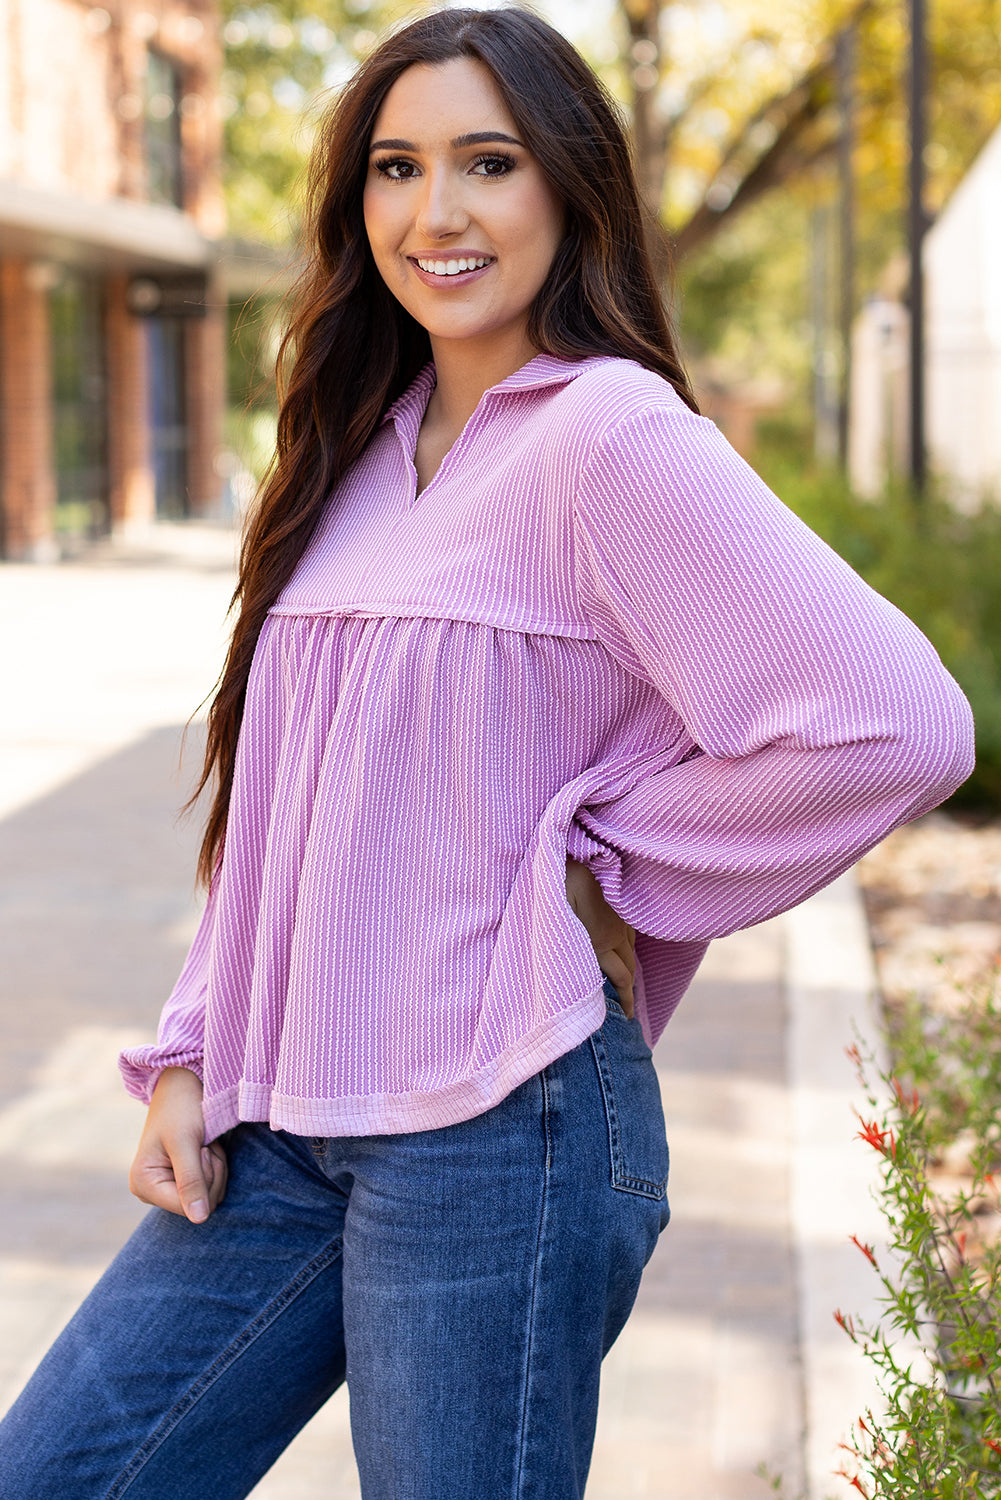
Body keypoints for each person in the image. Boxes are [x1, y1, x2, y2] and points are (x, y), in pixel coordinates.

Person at [0, 7, 974, 1498]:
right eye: (394, 166)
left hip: (496, 1118)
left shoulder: (603, 438)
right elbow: (290, 799)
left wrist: (592, 857)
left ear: (568, 191)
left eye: (486, 161)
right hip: (284, 1117)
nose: (433, 212)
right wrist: (193, 1047)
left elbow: (893, 724)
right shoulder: (352, 451)